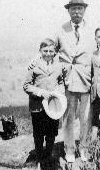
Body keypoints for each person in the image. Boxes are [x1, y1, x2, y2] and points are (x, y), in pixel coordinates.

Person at [54, 0, 95, 162]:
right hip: (68, 79)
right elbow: (50, 49)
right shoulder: (61, 29)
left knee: (86, 116)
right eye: (73, 8)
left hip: (86, 79)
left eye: (80, 8)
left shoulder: (92, 30)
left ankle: (84, 148)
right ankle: (69, 149)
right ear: (68, 11)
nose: (77, 11)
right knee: (69, 116)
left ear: (84, 10)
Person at [23, 38, 65, 167]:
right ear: (40, 51)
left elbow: (61, 82)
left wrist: (58, 91)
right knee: (39, 133)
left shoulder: (58, 66)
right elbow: (26, 86)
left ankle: (48, 156)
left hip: (53, 106)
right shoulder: (34, 66)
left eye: (51, 51)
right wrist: (41, 92)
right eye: (45, 51)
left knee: (52, 132)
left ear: (55, 52)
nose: (48, 53)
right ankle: (40, 157)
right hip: (38, 106)